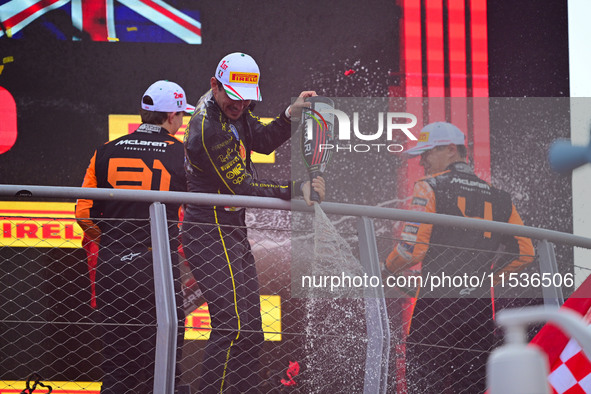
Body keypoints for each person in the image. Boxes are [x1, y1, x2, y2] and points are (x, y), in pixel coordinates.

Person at [182, 52, 325, 393]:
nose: (240, 105)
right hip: (208, 233)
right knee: (231, 327)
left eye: (247, 100)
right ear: (214, 86)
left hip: (231, 231)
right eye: (233, 97)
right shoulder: (207, 128)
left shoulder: (234, 110)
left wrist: (292, 114)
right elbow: (241, 188)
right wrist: (295, 189)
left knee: (252, 331)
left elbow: (260, 140)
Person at [383, 121, 535, 393]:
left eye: (427, 153)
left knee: (424, 386)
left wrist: (386, 269)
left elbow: (411, 249)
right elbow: (525, 252)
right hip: (477, 311)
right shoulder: (501, 197)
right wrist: (486, 279)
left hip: (434, 310)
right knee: (472, 387)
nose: (423, 162)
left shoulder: (429, 187)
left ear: (451, 150)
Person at [75, 80, 193, 394]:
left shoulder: (105, 151)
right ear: (171, 118)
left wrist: (112, 242)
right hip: (157, 266)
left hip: (112, 265)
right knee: (163, 360)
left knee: (116, 363)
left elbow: (83, 213)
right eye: (181, 116)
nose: (182, 123)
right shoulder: (182, 154)